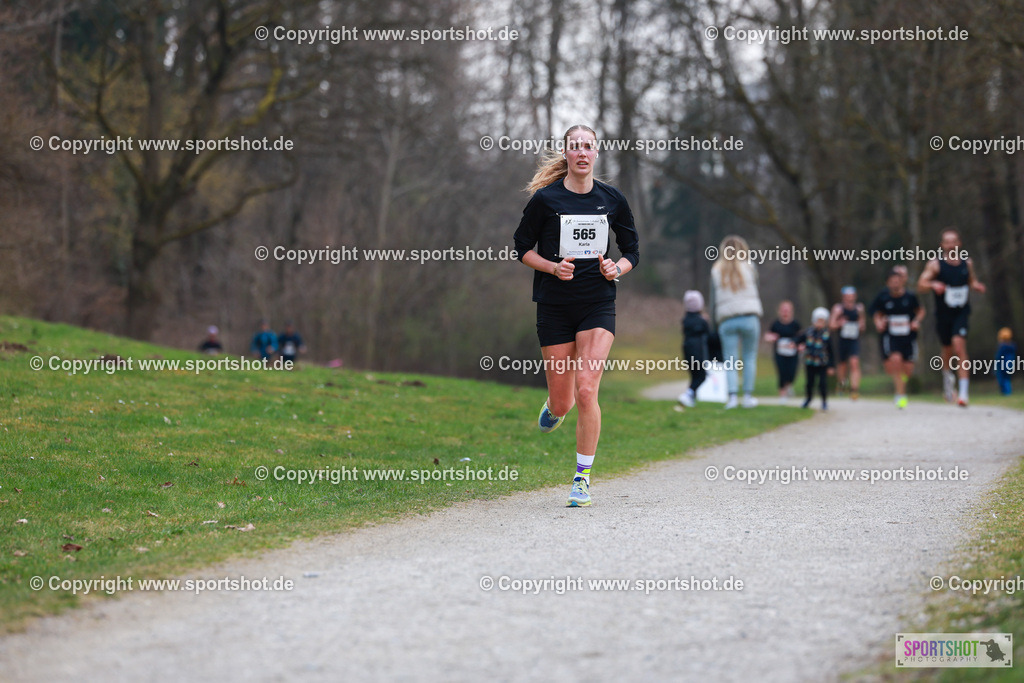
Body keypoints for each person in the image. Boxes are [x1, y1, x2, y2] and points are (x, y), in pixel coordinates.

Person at [513, 124, 640, 507]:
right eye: (575, 146)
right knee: (564, 402)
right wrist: (553, 267)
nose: (582, 152)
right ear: (566, 153)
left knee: (586, 388)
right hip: (554, 307)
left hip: (597, 304)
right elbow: (522, 248)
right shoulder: (546, 200)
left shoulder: (612, 199)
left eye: (588, 146)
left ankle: (582, 478)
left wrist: (616, 269)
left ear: (596, 152)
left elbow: (632, 252)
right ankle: (555, 409)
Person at [917, 228, 986, 407]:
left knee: (959, 346)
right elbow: (921, 284)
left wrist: (977, 286)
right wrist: (933, 284)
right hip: (943, 314)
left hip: (961, 312)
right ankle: (948, 381)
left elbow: (971, 280)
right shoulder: (935, 265)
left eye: (954, 241)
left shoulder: (967, 263)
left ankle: (963, 394)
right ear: (942, 245)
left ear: (959, 243)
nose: (951, 245)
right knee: (947, 350)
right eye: (947, 242)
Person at [710, 235, 763, 409]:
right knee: (749, 357)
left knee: (730, 360)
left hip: (727, 320)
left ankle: (732, 397)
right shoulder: (749, 266)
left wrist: (713, 324)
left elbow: (712, 299)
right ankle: (748, 396)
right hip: (749, 317)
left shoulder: (716, 269)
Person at [871, 269, 925, 409]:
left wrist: (916, 321)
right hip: (891, 336)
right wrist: (879, 322)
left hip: (908, 336)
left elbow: (920, 311)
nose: (895, 284)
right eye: (892, 281)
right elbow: (877, 313)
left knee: (908, 369)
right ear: (888, 283)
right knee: (896, 360)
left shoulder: (910, 297)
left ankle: (901, 387)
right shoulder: (884, 298)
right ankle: (900, 394)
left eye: (897, 281)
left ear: (902, 282)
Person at [829, 286, 866, 399]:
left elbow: (863, 326)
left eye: (851, 296)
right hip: (842, 340)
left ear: (855, 297)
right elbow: (831, 325)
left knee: (854, 363)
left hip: (854, 340)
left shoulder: (859, 309)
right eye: (847, 296)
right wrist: (839, 324)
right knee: (842, 365)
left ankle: (854, 389)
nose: (849, 299)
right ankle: (842, 385)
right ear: (843, 297)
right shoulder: (838, 309)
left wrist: (860, 325)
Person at [796, 307, 835, 410]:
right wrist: (797, 344)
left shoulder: (827, 335)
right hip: (810, 362)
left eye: (822, 321)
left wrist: (831, 366)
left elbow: (831, 351)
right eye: (818, 321)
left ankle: (824, 401)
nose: (819, 323)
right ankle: (808, 399)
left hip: (822, 363)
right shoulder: (807, 332)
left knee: (822, 383)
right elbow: (798, 340)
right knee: (810, 383)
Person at [678, 290, 711, 408]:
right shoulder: (702, 321)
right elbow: (709, 335)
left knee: (694, 376)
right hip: (697, 351)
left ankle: (690, 399)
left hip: (686, 349)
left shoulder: (685, 320)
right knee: (702, 376)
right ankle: (688, 394)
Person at [763, 300, 800, 402]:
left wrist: (799, 344)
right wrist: (770, 337)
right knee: (782, 372)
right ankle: (782, 395)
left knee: (791, 373)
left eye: (787, 310)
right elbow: (767, 335)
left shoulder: (795, 324)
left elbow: (801, 336)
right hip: (779, 353)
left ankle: (788, 386)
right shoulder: (776, 324)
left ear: (791, 311)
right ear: (779, 311)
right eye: (783, 310)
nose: (785, 313)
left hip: (793, 354)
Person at [996, 328, 1016, 396]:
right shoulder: (1012, 347)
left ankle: (1007, 392)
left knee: (1003, 379)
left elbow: (998, 357)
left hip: (1002, 366)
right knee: (1007, 379)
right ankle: (1007, 392)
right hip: (1009, 365)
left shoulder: (1002, 347)